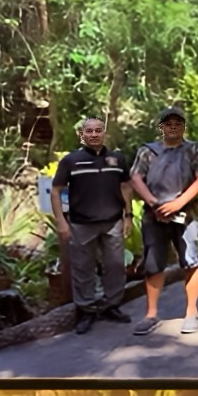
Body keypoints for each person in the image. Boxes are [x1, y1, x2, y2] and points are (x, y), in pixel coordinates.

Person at [50, 116, 134, 335]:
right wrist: (61, 221)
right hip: (81, 224)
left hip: (113, 222)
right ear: (82, 134)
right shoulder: (71, 161)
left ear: (104, 133)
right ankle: (86, 310)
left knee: (115, 266)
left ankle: (111, 306)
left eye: (98, 130)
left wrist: (128, 216)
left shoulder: (117, 159)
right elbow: (56, 190)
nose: (94, 135)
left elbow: (125, 187)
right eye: (89, 131)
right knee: (83, 269)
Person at [130, 107, 198, 336]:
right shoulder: (147, 151)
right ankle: (151, 314)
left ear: (184, 126)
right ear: (161, 126)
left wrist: (178, 203)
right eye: (168, 123)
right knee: (153, 264)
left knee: (190, 261)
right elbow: (136, 177)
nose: (173, 127)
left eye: (177, 123)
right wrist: (154, 203)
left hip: (186, 215)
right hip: (153, 215)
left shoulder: (194, 149)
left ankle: (192, 311)